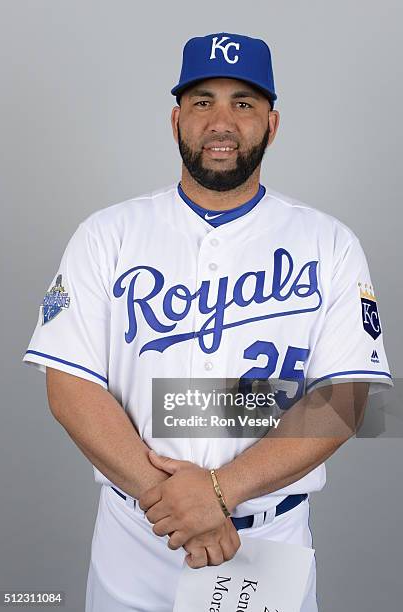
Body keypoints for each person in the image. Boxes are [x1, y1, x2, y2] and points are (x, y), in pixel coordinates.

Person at [23, 32, 393, 611]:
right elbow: (68, 385)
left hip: (268, 537)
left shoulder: (329, 243)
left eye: (243, 103)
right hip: (137, 534)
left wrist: (221, 491)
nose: (222, 121)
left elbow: (347, 399)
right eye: (203, 102)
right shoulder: (107, 235)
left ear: (272, 124)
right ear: (176, 121)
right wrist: (172, 501)